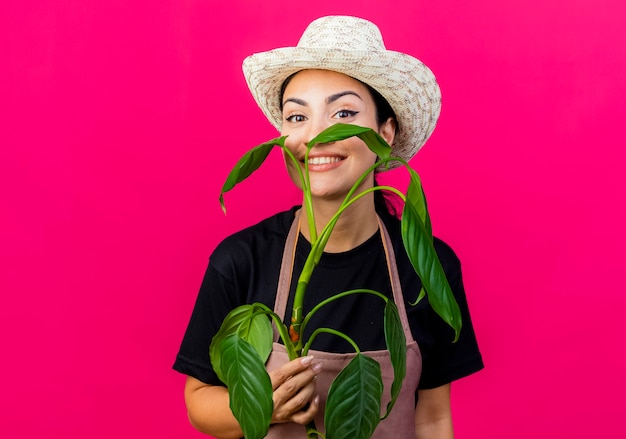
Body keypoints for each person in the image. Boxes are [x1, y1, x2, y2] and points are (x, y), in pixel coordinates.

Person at [173, 15, 483, 439]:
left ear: (385, 131)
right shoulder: (241, 260)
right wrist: (267, 404)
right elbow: (198, 401)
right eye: (297, 117)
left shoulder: (428, 266)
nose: (316, 136)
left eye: (343, 112)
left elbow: (431, 417)